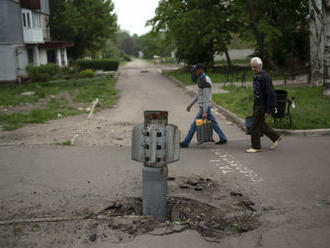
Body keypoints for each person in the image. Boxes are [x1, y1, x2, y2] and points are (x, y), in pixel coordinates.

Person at [180, 64, 227, 148]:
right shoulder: (201, 79)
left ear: (200, 70)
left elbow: (206, 98)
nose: (194, 73)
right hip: (205, 107)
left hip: (205, 107)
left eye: (195, 71)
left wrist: (204, 112)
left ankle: (186, 142)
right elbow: (198, 94)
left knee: (193, 125)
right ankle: (223, 138)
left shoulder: (205, 81)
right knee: (214, 123)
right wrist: (191, 104)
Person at [246, 57, 282, 153]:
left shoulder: (265, 77)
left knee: (255, 126)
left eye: (255, 67)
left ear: (260, 66)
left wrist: (269, 110)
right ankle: (276, 137)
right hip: (257, 103)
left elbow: (271, 94)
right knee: (260, 124)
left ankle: (256, 147)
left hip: (263, 105)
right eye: (252, 67)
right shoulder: (257, 76)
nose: (253, 69)